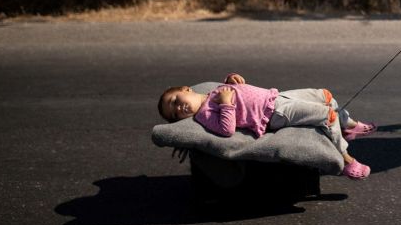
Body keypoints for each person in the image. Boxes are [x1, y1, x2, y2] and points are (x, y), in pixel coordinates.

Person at [159, 73, 377, 179]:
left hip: (276, 96)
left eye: (176, 101)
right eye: (175, 114)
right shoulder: (204, 115)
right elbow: (226, 129)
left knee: (325, 96)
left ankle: (350, 126)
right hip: (273, 114)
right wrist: (226, 104)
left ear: (187, 90)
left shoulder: (212, 91)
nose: (180, 109)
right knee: (327, 115)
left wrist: (232, 80)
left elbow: (238, 90)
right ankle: (346, 159)